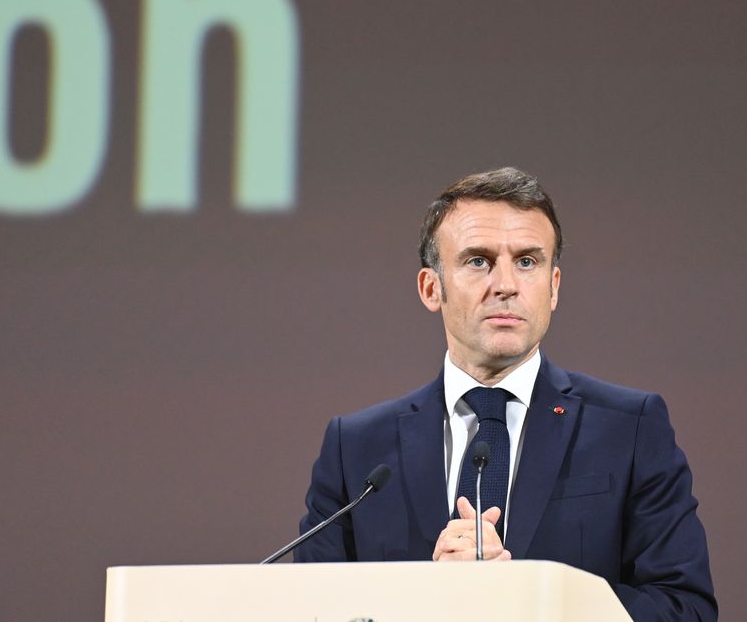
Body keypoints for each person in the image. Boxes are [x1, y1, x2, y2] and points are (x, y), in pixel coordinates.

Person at [295, 167, 717, 621]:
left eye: (527, 262)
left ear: (554, 287)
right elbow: (310, 610)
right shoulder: (356, 449)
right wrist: (424, 600)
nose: (506, 285)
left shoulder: (629, 429)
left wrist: (526, 599)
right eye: (478, 261)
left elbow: (685, 608)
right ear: (431, 288)